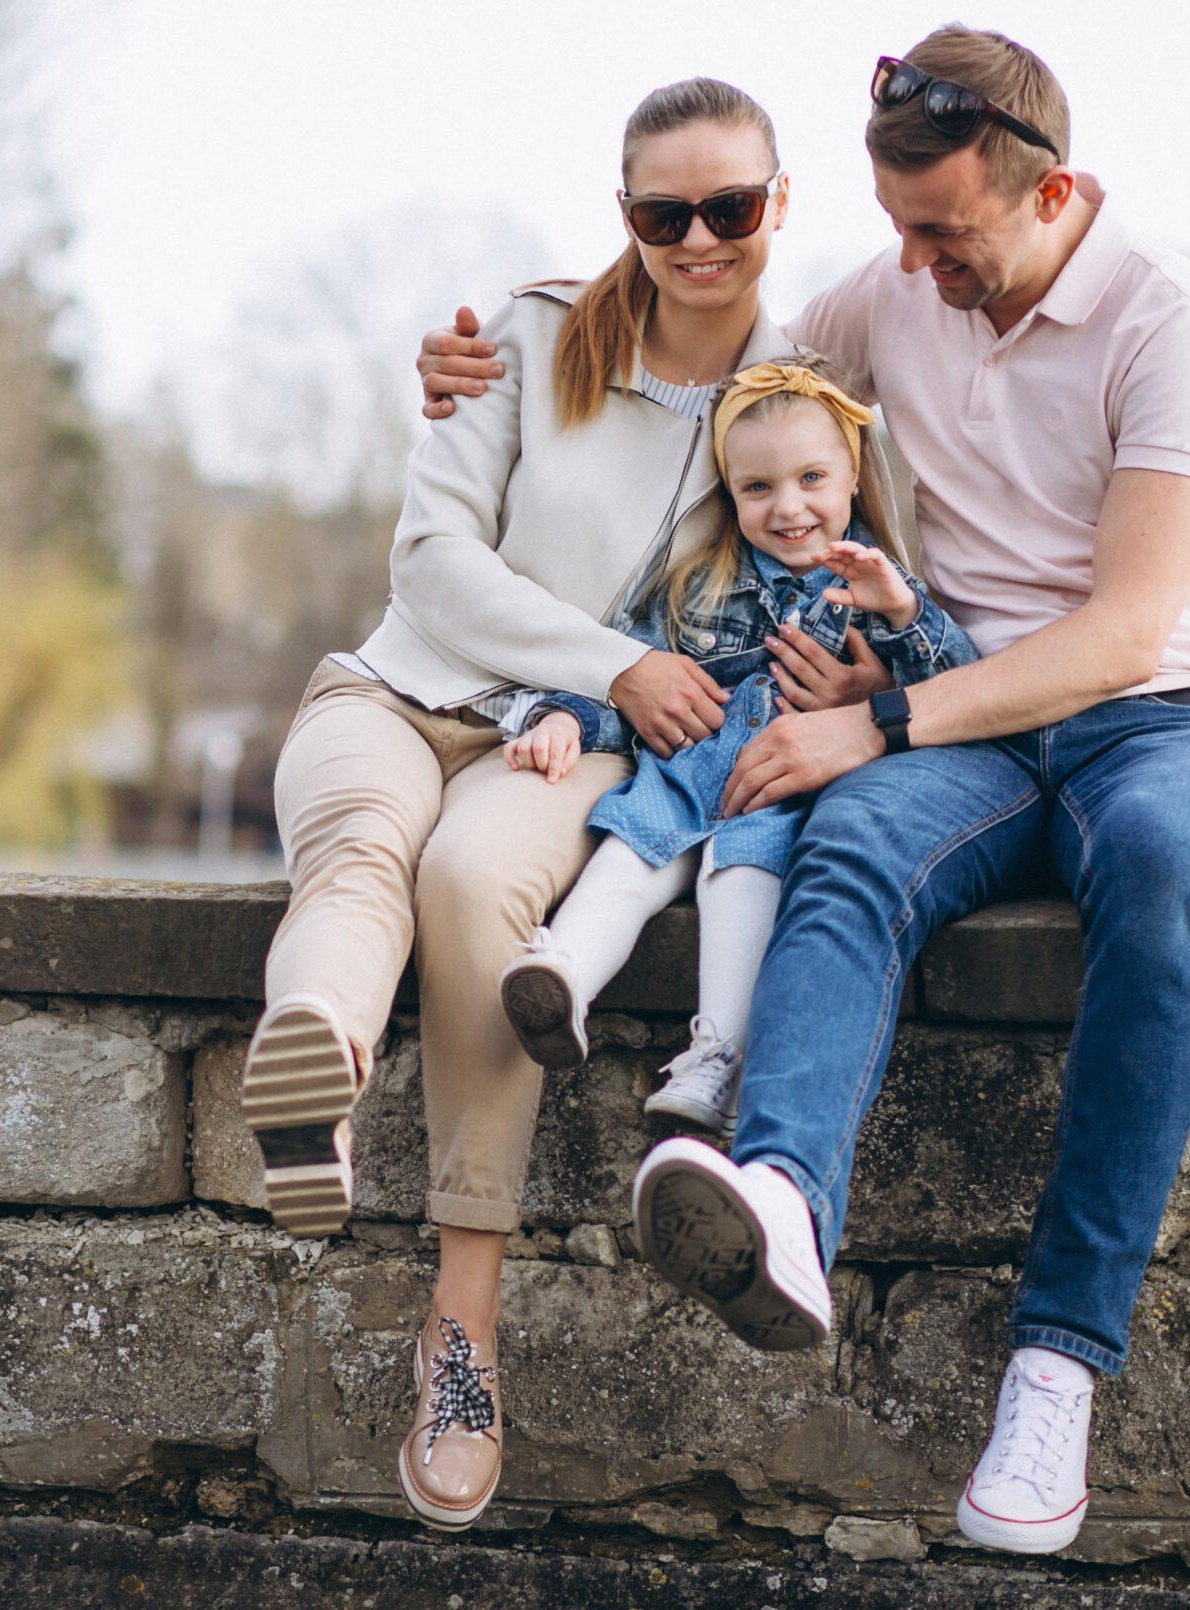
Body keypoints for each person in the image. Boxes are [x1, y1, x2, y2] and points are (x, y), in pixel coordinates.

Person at [417, 26, 1190, 1557]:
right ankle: (785, 1208)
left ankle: (1055, 1366)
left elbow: (1127, 632)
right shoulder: (893, 293)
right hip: (963, 734)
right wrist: (495, 369)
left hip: (1163, 721)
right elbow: (711, 371)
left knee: (1154, 869)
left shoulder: (1173, 323)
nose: (913, 273)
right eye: (896, 234)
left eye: (946, 235)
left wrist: (879, 722)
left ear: (1053, 189)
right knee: (848, 858)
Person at [247, 76, 813, 1534]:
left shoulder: (796, 398)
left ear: (778, 205)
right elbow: (433, 558)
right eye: (663, 212)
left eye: (730, 209)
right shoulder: (531, 336)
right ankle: (312, 1084)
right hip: (396, 688)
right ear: (622, 212)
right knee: (363, 841)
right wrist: (619, 660)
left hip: (567, 754)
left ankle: (462, 1334)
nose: (699, 239)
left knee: (469, 885)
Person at [493, 355, 975, 1138]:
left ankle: (715, 1058)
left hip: (777, 798)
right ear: (730, 491)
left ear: (852, 475)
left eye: (811, 479)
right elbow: (625, 667)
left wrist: (901, 610)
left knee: (739, 874)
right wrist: (567, 720)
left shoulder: (878, 586)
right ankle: (562, 979)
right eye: (758, 488)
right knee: (625, 853)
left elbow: (958, 688)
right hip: (681, 775)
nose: (788, 508)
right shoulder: (697, 581)